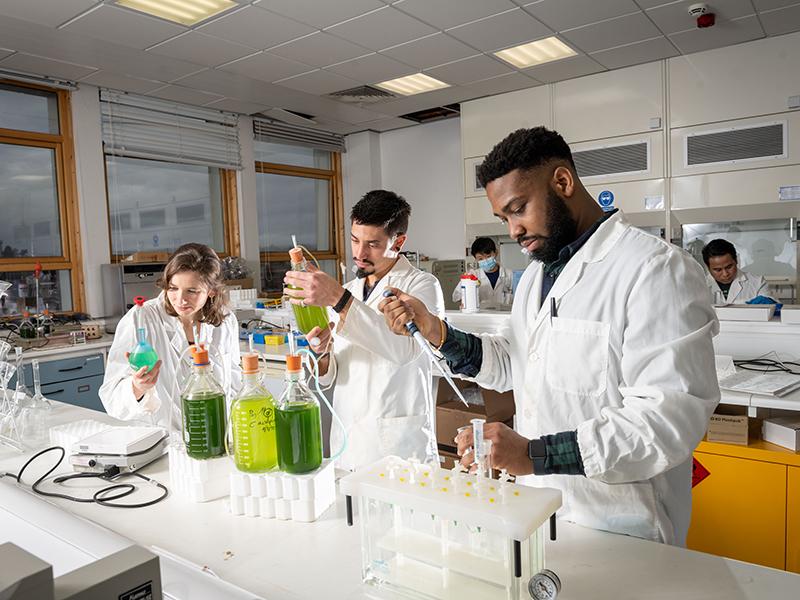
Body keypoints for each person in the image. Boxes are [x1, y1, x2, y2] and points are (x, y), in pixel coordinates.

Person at [379, 127, 719, 546]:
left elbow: (665, 421)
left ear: (562, 182)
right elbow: (513, 363)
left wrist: (534, 454)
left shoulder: (654, 269)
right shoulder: (538, 275)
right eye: (505, 218)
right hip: (541, 515)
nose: (514, 230)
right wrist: (436, 331)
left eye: (518, 209)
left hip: (623, 526)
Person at [283, 190, 445, 471]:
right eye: (355, 240)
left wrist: (337, 299)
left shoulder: (422, 286)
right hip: (348, 439)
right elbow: (331, 374)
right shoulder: (350, 290)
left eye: (373, 244)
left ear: (399, 241)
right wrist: (322, 353)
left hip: (396, 442)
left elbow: (403, 350)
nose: (359, 253)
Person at [100, 243, 242, 430]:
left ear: (211, 291)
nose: (180, 300)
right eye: (173, 288)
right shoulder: (141, 318)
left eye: (192, 291)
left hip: (217, 435)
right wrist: (137, 387)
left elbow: (234, 382)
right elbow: (111, 397)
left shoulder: (225, 320)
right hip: (163, 441)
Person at [702, 238, 775, 304]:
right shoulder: (701, 285)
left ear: (736, 260)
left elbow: (774, 308)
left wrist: (771, 303)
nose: (725, 274)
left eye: (729, 267)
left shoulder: (757, 282)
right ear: (708, 267)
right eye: (718, 270)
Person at [452, 237, 513, 309]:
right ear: (475, 259)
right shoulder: (472, 275)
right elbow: (456, 296)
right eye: (480, 258)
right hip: (481, 317)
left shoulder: (510, 274)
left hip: (504, 316)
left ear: (496, 253)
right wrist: (464, 301)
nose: (485, 260)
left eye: (488, 256)